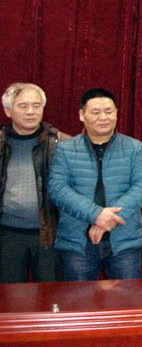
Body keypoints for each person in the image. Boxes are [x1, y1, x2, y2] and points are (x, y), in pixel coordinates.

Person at [49, 88, 142, 281]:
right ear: (82, 115)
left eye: (108, 111)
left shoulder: (134, 147)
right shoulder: (65, 149)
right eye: (96, 112)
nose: (103, 117)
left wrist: (110, 219)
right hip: (78, 242)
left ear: (116, 114)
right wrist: (96, 215)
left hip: (124, 240)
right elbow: (58, 189)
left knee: (128, 297)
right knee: (78, 298)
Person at [0, 83, 69, 283]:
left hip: (51, 235)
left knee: (52, 296)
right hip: (7, 235)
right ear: (8, 111)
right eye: (23, 106)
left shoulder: (63, 143)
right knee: (9, 297)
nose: (30, 111)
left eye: (36, 105)